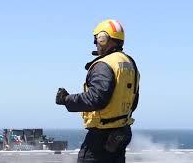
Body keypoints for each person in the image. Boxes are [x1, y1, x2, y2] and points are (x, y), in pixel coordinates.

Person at [56, 19, 140, 163]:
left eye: (96, 40)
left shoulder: (104, 64)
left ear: (103, 38)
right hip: (121, 132)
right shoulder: (129, 63)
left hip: (102, 137)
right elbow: (134, 100)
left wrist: (66, 99)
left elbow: (96, 98)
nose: (95, 43)